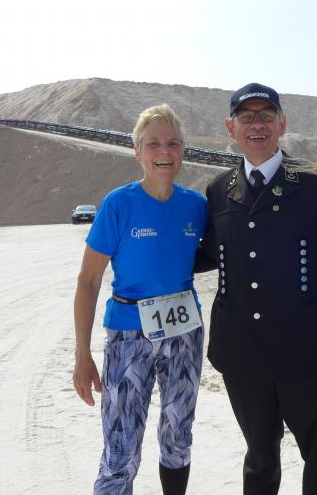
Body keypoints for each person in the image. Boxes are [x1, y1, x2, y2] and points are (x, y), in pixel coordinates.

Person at [194, 83, 317, 495]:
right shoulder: (218, 190)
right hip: (243, 351)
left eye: (266, 115)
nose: (257, 125)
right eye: (246, 117)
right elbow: (204, 253)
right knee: (259, 458)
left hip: (307, 350)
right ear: (231, 127)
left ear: (283, 123)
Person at [73, 104, 208, 495]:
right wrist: (82, 355)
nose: (164, 151)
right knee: (121, 445)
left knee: (178, 435)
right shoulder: (118, 204)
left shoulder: (196, 206)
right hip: (128, 335)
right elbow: (88, 281)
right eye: (153, 144)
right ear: (137, 151)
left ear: (182, 150)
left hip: (184, 334)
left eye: (173, 143)